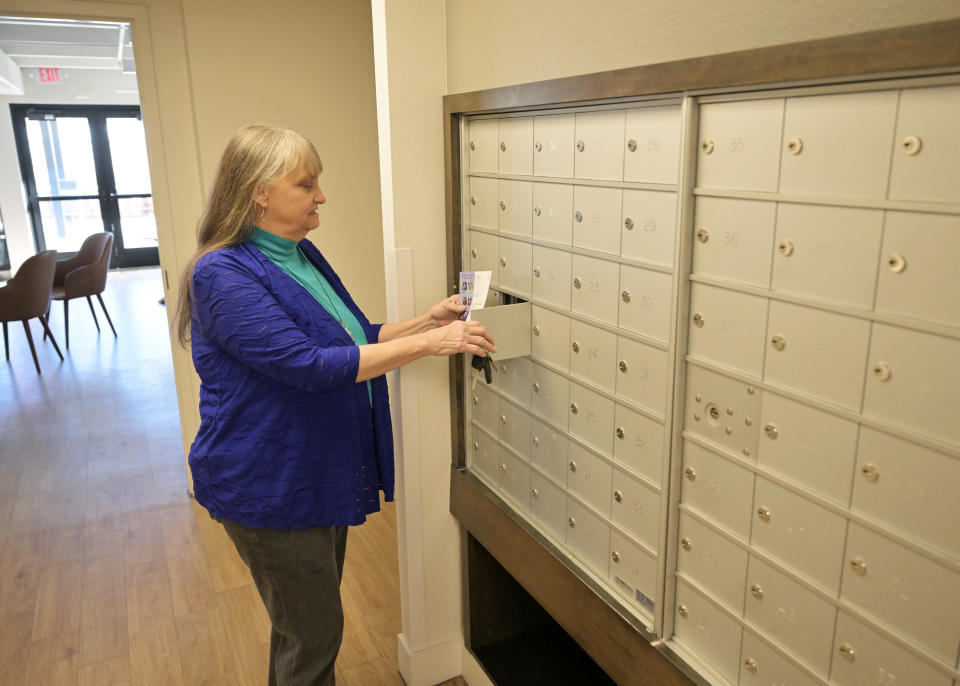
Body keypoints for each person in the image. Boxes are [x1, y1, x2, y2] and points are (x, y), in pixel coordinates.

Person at [173, 124, 495, 686]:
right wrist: (429, 345)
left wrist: (428, 319)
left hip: (311, 471)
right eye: (306, 183)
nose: (320, 196)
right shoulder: (222, 273)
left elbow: (352, 338)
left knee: (302, 626)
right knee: (313, 635)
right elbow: (308, 366)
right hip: (267, 482)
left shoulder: (300, 254)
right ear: (259, 193)